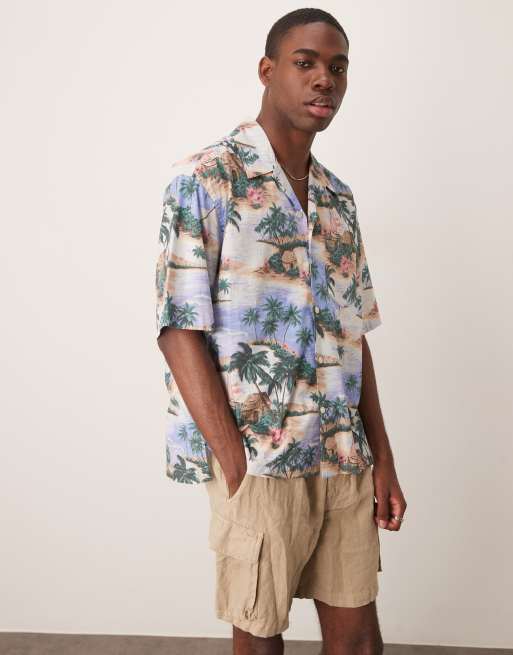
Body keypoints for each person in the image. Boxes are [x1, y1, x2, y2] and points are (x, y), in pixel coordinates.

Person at [156, 7, 407, 654]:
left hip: (343, 455)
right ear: (267, 71)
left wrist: (382, 457)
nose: (325, 78)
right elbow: (179, 329)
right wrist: (234, 461)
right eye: (306, 63)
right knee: (260, 637)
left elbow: (353, 333)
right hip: (259, 458)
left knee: (359, 640)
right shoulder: (207, 178)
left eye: (338, 67)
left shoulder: (337, 199)